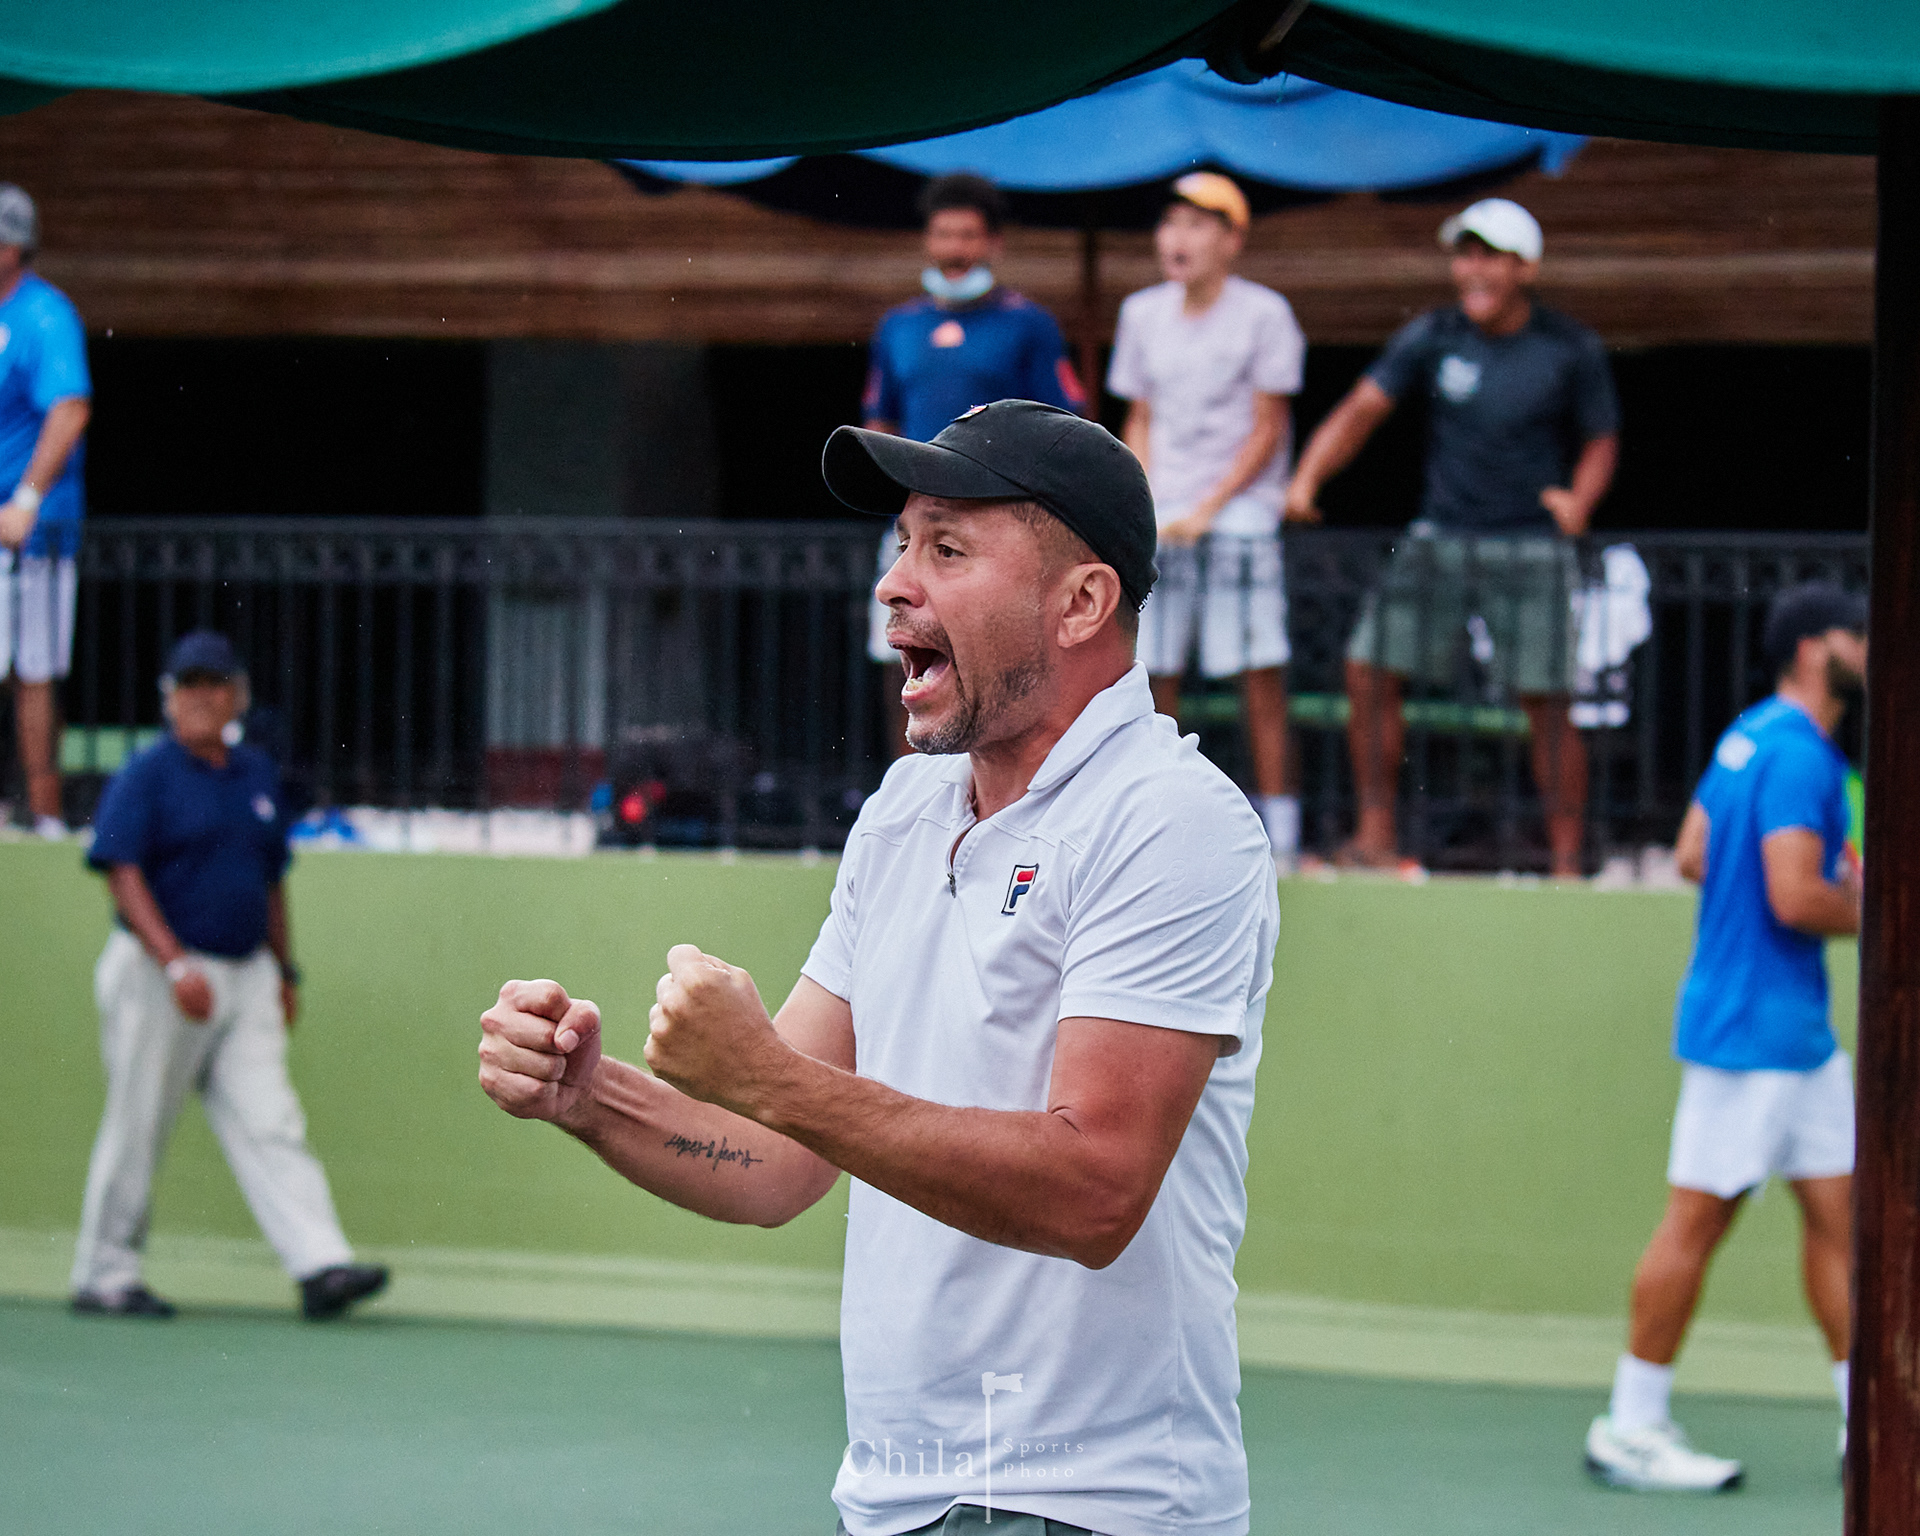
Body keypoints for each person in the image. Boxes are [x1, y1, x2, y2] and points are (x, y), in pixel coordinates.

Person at [479, 401, 1278, 1536]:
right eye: (902, 543)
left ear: (1082, 603)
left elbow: (1096, 1187)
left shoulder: (1172, 820)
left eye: (946, 548)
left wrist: (768, 1077)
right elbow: (774, 1164)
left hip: (1090, 1509)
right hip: (891, 1503)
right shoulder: (904, 812)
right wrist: (588, 1095)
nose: (894, 584)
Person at [1584, 583, 1867, 1493]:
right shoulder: (1805, 760)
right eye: (1859, 635)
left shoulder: (1746, 737)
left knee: (1843, 1223)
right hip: (1751, 1036)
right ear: (1818, 651)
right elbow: (1794, 896)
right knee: (1697, 1224)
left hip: (1798, 1041)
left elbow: (1697, 851)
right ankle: (1630, 1426)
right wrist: (1879, 905)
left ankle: (1870, 1426)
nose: (1873, 648)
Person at [1286, 198, 1619, 877]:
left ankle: (1564, 864)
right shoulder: (1434, 336)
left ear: (1524, 268)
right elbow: (1361, 410)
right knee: (1368, 670)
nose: (1472, 268)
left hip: (1529, 545)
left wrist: (1578, 502)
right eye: (1464, 254)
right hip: (1440, 539)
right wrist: (1306, 479)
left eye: (1488, 255)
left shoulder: (1569, 348)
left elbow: (1602, 439)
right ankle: (1375, 836)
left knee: (1546, 702)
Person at [71, 631, 389, 1322]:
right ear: (170, 698)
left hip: (246, 974)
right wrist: (174, 962)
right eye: (189, 686)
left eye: (215, 685)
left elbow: (270, 879)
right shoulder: (148, 774)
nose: (203, 699)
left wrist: (285, 968)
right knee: (138, 1123)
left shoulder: (254, 774)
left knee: (272, 1118)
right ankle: (105, 1273)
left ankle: (320, 1266)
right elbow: (121, 871)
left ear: (238, 695)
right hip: (163, 973)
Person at [1109, 172, 1308, 869]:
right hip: (1163, 517)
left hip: (1241, 517)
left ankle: (1282, 830)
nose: (1179, 237)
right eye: (1172, 222)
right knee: (1148, 669)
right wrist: (1148, 501)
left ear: (1232, 239)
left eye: (1198, 224)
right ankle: (1149, 817)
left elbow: (1267, 429)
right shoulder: (1140, 314)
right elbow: (1139, 416)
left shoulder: (1265, 314)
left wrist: (1211, 508)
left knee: (1256, 668)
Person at [862, 172, 1086, 757]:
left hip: (993, 526)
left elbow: (1062, 430)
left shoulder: (1029, 325)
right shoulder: (898, 327)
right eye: (943, 235)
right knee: (903, 652)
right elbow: (879, 423)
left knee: (992, 656)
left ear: (993, 245)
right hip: (913, 526)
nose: (955, 250)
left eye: (967, 236)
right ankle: (910, 796)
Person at [0, 184, 92, 840]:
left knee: (31, 671)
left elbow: (70, 408)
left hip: (32, 533)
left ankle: (46, 816)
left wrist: (24, 501)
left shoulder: (44, 314)